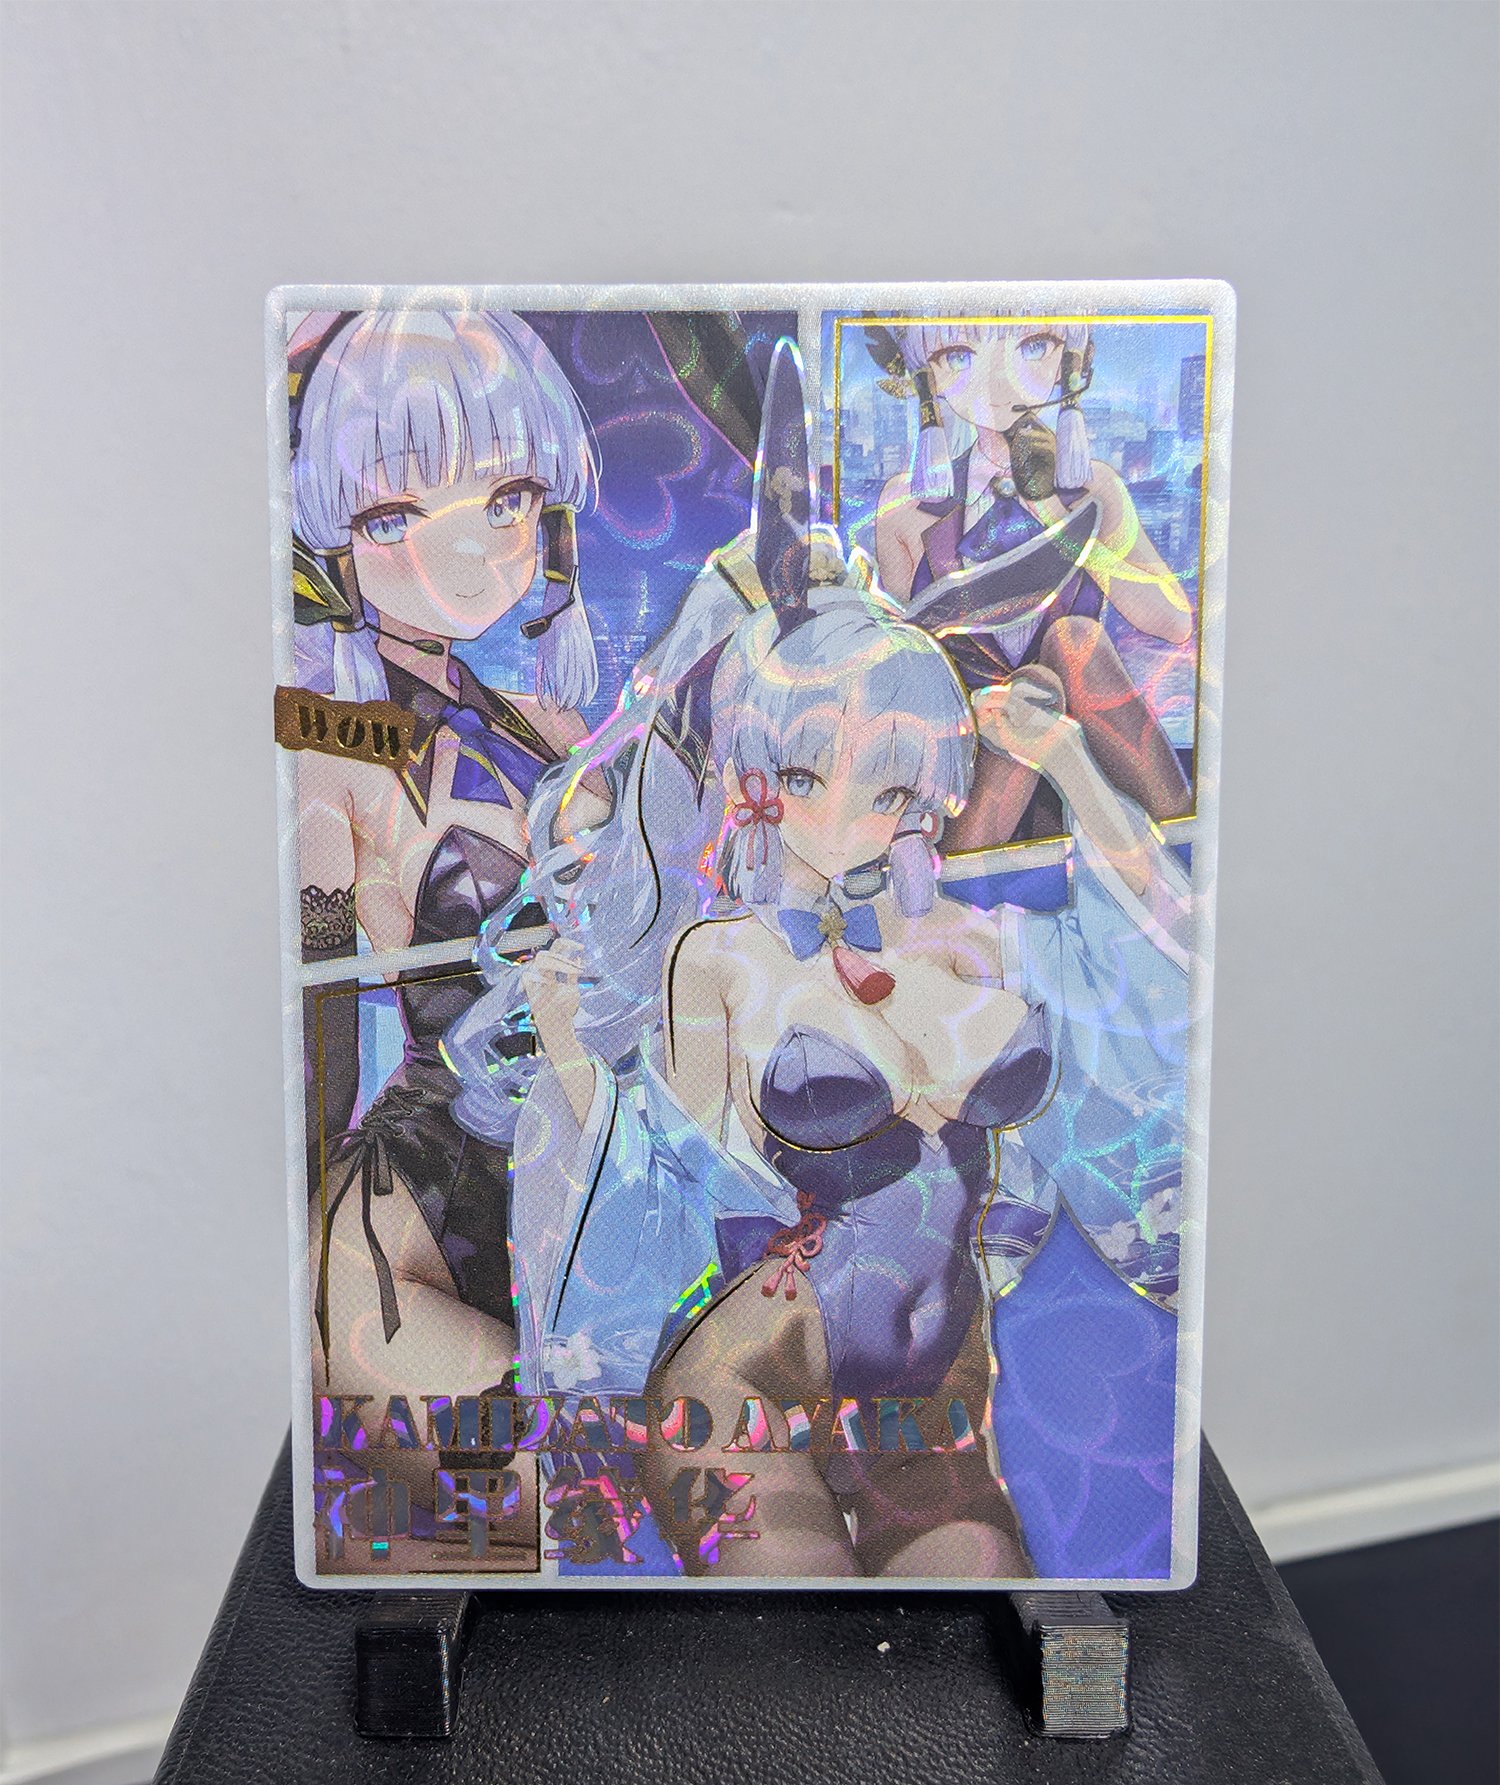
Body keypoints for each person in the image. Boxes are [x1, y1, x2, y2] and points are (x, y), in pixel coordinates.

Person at [446, 342, 1190, 1579]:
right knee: (786, 1641)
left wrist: (1064, 761)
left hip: (930, 1399)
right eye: (800, 770)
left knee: (967, 1639)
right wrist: (575, 1051)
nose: (843, 808)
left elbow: (1156, 942)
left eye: (889, 777)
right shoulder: (724, 959)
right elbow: (673, 1171)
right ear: (754, 776)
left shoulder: (966, 937)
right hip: (743, 1389)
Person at [284, 307, 603, 1415]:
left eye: (505, 499)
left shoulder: (554, 727)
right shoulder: (328, 751)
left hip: (604, 1153)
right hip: (434, 1179)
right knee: (510, 1467)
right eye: (394, 514)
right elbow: (318, 1009)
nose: (466, 551)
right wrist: (296, 1214)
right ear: (332, 541)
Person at [870, 320, 1193, 852]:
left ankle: (1183, 848)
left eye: (1033, 346)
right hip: (976, 773)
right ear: (927, 374)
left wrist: (1063, 514)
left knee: (1072, 643)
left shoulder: (1093, 487)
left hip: (1094, 761)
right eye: (960, 355)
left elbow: (1173, 622)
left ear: (1070, 359)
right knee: (1026, 692)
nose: (998, 381)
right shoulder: (906, 506)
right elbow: (911, 670)